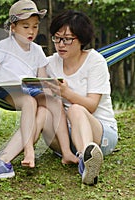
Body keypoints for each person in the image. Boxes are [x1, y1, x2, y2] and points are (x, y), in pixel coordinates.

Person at [0, 0, 77, 181]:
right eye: (25, 26)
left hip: (30, 89)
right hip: (7, 91)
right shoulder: (4, 46)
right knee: (29, 102)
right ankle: (29, 149)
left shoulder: (37, 50)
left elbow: (42, 78)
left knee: (55, 101)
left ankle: (67, 152)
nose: (31, 31)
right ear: (13, 27)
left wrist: (49, 88)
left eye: (35, 27)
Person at [42, 10, 118, 185]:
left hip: (100, 133)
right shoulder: (51, 63)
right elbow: (22, 73)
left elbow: (92, 105)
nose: (61, 44)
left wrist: (67, 93)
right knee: (42, 111)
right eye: (57, 38)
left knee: (76, 110)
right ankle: (75, 154)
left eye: (67, 39)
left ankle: (87, 160)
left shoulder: (95, 62)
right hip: (66, 137)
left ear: (82, 40)